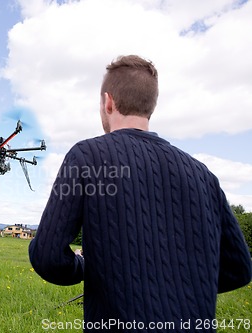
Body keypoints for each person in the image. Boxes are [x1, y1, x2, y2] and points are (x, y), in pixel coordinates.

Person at [29, 55, 251, 332]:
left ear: (108, 102)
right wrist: (180, 283)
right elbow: (239, 268)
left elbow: (47, 257)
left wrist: (86, 266)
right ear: (150, 107)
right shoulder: (203, 174)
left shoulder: (87, 157)